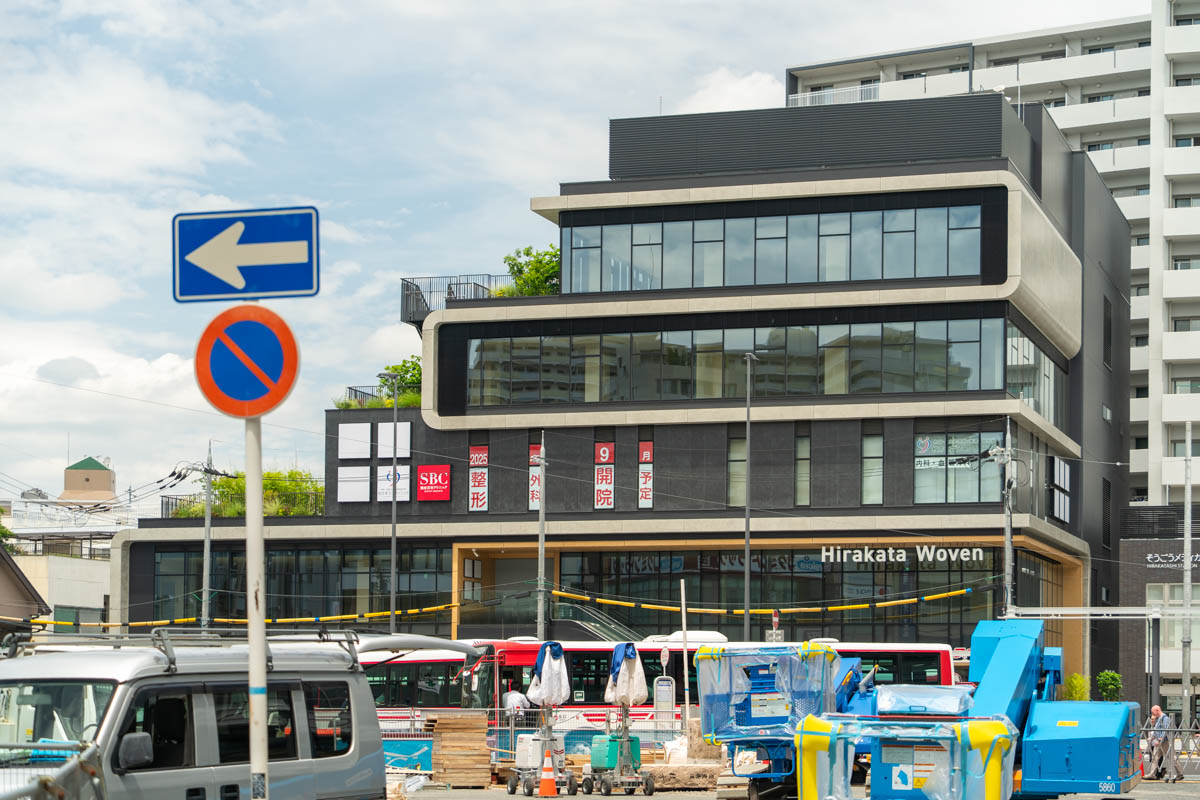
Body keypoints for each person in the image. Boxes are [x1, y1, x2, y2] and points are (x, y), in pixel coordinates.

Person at [1147, 705, 1182, 782]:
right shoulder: (1159, 719)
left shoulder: (1165, 719)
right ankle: (1152, 774)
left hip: (1165, 742)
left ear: (1157, 710)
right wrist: (1152, 738)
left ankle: (1180, 773)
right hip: (1159, 742)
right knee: (1155, 757)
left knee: (1172, 758)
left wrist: (1160, 740)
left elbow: (1165, 730)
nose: (1152, 714)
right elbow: (1157, 730)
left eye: (1153, 712)